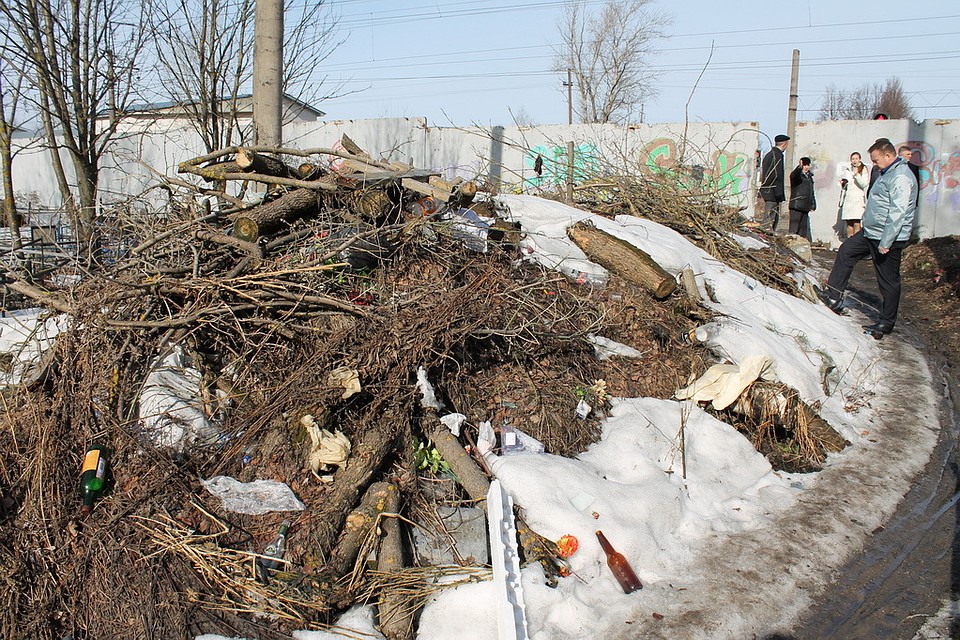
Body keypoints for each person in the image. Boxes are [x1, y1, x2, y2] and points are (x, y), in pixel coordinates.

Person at [818, 138, 918, 339]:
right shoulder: (886, 172)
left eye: (877, 160)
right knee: (847, 251)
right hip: (871, 231)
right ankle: (833, 295)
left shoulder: (900, 177)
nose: (874, 164)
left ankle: (886, 323)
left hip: (887, 237)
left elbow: (898, 212)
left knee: (888, 281)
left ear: (889, 156)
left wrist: (886, 242)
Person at [760, 134, 790, 233]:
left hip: (768, 190)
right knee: (770, 217)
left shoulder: (769, 154)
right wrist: (779, 194)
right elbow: (776, 175)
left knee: (770, 215)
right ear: (785, 144)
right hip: (772, 191)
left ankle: (767, 234)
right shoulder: (777, 156)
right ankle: (767, 235)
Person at [837, 151, 869, 237]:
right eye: (853, 159)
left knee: (856, 221)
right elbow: (846, 183)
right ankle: (849, 241)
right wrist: (843, 183)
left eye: (856, 159)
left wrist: (856, 175)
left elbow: (864, 184)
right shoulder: (848, 169)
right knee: (849, 222)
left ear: (860, 159)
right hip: (849, 199)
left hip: (857, 199)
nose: (854, 161)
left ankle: (856, 241)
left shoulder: (863, 169)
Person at [788, 157, 816, 240]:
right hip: (796, 205)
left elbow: (811, 192)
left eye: (807, 165)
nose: (806, 167)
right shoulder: (798, 176)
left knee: (803, 232)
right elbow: (793, 175)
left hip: (805, 207)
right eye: (804, 165)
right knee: (794, 230)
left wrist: (813, 204)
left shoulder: (809, 177)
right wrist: (799, 167)